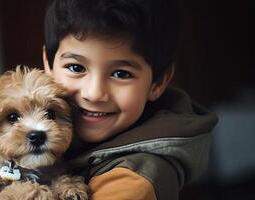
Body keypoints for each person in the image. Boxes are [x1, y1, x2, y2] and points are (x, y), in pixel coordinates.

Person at [42, 0, 218, 199]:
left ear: (158, 82)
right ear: (48, 64)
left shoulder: (132, 184)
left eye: (121, 74)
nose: (94, 93)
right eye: (76, 68)